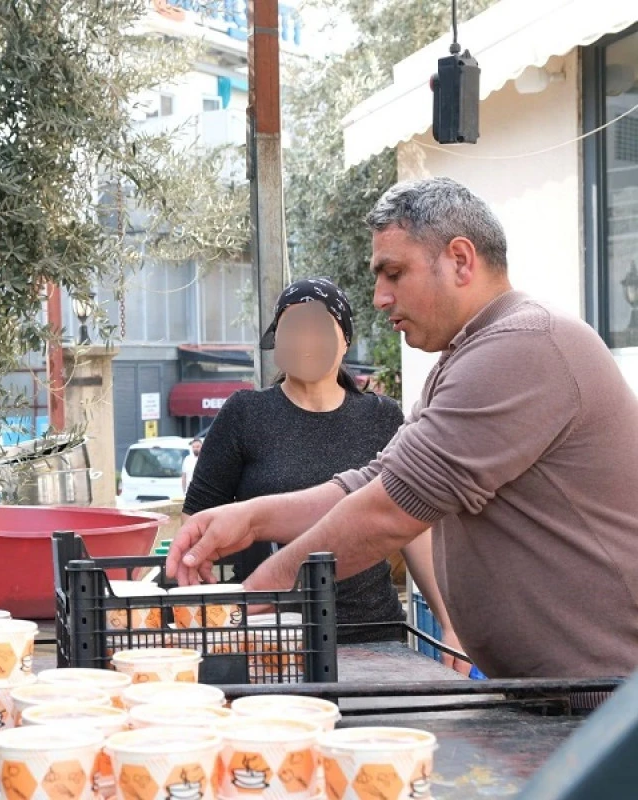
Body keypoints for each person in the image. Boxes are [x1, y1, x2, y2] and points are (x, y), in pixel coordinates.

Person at [169, 177, 638, 681]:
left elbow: (389, 511)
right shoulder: (468, 357)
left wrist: (259, 594)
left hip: (606, 704)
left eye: (393, 273)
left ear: (460, 260)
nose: (379, 297)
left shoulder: (523, 346)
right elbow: (376, 480)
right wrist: (254, 519)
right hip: (558, 696)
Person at [183, 277, 461, 649]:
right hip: (271, 637)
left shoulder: (381, 416)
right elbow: (196, 527)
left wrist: (450, 625)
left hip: (372, 634)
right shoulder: (245, 414)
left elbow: (413, 526)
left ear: (344, 340)